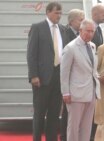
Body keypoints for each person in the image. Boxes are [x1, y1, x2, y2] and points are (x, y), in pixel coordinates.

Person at [27, 2, 67, 141]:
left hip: (59, 77)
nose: (59, 16)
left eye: (61, 13)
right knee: (39, 113)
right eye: (56, 13)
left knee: (54, 114)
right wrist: (33, 75)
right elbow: (31, 54)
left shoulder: (63, 29)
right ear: (48, 12)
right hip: (41, 79)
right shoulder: (37, 27)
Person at [60, 19, 101, 141]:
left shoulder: (93, 46)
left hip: (91, 92)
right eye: (87, 31)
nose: (90, 34)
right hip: (75, 94)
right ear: (80, 31)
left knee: (87, 126)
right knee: (73, 126)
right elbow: (64, 72)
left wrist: (99, 77)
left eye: (92, 31)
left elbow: (92, 70)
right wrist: (65, 92)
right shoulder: (70, 48)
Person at [60, 8, 84, 141]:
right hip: (68, 79)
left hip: (80, 80)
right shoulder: (64, 33)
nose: (83, 22)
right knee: (67, 111)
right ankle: (64, 136)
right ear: (72, 21)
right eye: (81, 20)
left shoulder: (81, 35)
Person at [90, 4, 104, 140]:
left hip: (98, 73)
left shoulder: (99, 30)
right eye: (103, 15)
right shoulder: (90, 30)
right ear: (95, 14)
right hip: (90, 73)